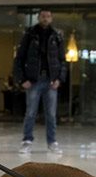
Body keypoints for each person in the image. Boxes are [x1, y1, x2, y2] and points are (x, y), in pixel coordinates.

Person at [14, 9, 67, 154]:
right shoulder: (30, 34)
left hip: (51, 80)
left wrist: (59, 79)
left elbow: (62, 60)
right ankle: (27, 140)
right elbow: (19, 58)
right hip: (34, 80)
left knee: (51, 113)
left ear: (51, 18)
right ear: (38, 18)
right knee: (31, 112)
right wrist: (22, 79)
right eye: (43, 16)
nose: (45, 18)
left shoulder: (56, 36)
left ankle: (52, 141)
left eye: (48, 16)